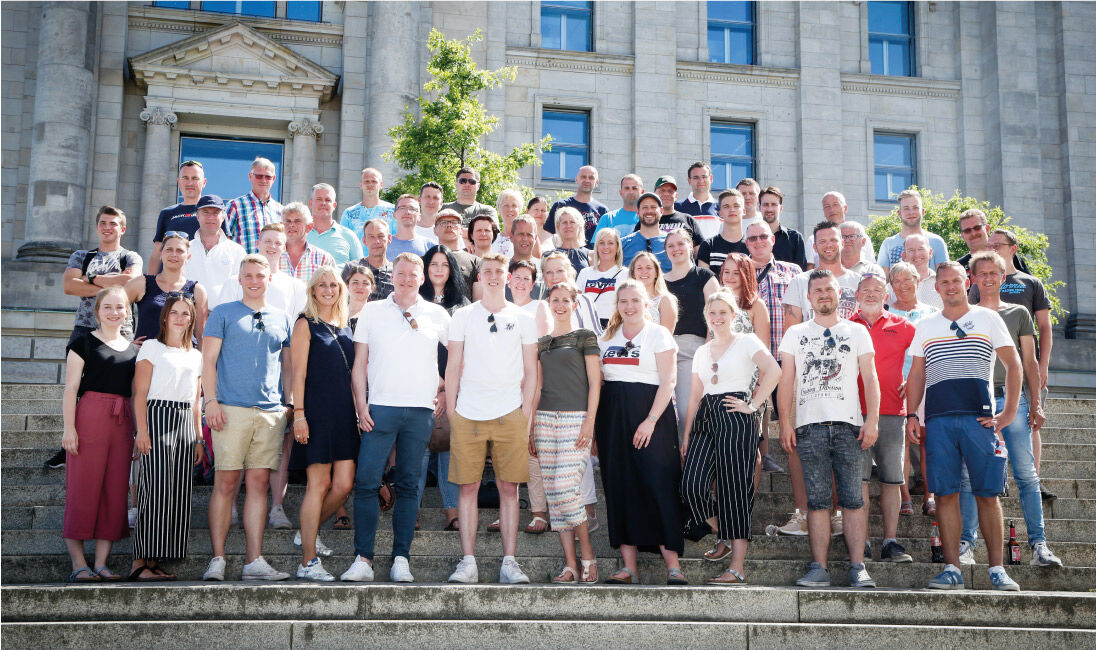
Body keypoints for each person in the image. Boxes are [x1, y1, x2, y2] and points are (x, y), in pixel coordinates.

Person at [905, 261, 1023, 591]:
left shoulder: (987, 317)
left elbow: (1014, 364)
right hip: (939, 420)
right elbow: (916, 374)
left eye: (956, 280)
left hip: (979, 419)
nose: (951, 286)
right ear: (937, 287)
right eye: (945, 282)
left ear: (966, 282)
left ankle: (997, 569)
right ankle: (952, 568)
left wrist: (1009, 413)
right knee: (945, 494)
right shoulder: (926, 325)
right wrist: (911, 414)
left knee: (987, 494)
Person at [958, 251, 1062, 568]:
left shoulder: (1018, 313)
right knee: (968, 476)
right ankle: (966, 543)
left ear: (1004, 278)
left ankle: (1039, 546)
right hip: (976, 402)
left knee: (1027, 475)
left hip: (1012, 401)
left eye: (994, 273)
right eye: (982, 273)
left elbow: (1029, 362)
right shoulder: (964, 315)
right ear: (972, 279)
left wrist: (1037, 402)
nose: (988, 278)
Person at [779, 270, 880, 588]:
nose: (823, 294)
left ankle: (858, 567)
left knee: (852, 499)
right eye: (817, 290)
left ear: (839, 294)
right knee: (818, 501)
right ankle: (818, 568)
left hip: (850, 426)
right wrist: (785, 422)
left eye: (828, 289)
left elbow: (871, 378)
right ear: (808, 297)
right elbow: (786, 381)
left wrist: (873, 419)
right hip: (809, 427)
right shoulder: (795, 333)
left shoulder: (857, 331)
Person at [445, 253, 538, 585]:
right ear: (479, 277)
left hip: (509, 412)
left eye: (500, 271)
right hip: (468, 413)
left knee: (509, 488)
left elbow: (531, 370)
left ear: (509, 277)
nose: (494, 276)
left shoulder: (524, 318)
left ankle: (509, 562)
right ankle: (468, 561)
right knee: (468, 487)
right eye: (488, 271)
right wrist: (453, 411)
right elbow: (453, 365)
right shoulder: (463, 316)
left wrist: (525, 412)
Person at [201, 254, 294, 582]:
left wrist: (290, 402)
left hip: (269, 412)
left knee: (258, 485)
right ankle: (218, 558)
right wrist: (209, 401)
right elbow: (208, 361)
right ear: (240, 279)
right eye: (248, 275)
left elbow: (288, 364)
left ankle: (254, 561)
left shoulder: (282, 318)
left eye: (260, 275)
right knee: (226, 483)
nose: (254, 280)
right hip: (230, 410)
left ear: (270, 278)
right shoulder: (223, 313)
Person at [681, 290, 780, 584]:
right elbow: (694, 396)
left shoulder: (746, 341)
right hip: (705, 416)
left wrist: (753, 404)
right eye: (712, 313)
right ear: (706, 318)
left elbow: (773, 370)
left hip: (735, 413)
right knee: (692, 485)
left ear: (733, 315)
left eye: (723, 312)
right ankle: (723, 531)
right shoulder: (701, 351)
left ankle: (736, 567)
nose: (717, 318)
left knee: (735, 489)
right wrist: (686, 434)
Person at [596, 280, 685, 585]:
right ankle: (628, 567)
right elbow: (600, 382)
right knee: (619, 487)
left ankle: (673, 565)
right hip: (612, 418)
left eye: (635, 300)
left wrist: (650, 420)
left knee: (658, 485)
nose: (629, 306)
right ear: (617, 306)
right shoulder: (607, 336)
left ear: (646, 303)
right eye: (623, 302)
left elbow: (669, 381)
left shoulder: (658, 334)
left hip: (652, 417)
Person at [60, 287, 139, 582]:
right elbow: (70, 389)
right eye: (108, 307)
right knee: (83, 488)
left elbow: (133, 395)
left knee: (115, 492)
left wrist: (135, 432)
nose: (114, 312)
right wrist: (69, 428)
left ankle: (102, 563)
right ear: (97, 312)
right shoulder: (83, 343)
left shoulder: (134, 351)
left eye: (120, 307)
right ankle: (79, 563)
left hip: (121, 424)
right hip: (89, 417)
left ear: (127, 312)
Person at [288, 268, 359, 581]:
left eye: (334, 284)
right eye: (322, 285)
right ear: (313, 290)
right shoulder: (305, 323)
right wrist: (299, 413)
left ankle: (308, 531)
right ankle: (308, 562)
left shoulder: (345, 326)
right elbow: (298, 374)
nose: (329, 289)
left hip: (344, 414)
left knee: (343, 484)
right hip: (316, 412)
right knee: (318, 484)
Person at [130, 294, 204, 581]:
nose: (180, 318)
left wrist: (198, 438)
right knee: (154, 488)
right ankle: (139, 563)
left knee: (176, 493)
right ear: (165, 316)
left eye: (186, 314)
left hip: (185, 420)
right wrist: (142, 430)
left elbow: (196, 401)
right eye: (175, 312)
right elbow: (140, 393)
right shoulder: (151, 348)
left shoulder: (195, 356)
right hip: (157, 416)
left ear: (192, 320)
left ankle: (156, 560)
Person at [532, 282, 602, 583]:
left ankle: (588, 555)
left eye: (565, 300)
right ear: (548, 303)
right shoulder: (542, 342)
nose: (559, 304)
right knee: (554, 495)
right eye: (554, 300)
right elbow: (536, 387)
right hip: (544, 419)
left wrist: (590, 423)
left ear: (575, 304)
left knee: (564, 488)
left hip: (576, 418)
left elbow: (596, 383)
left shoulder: (585, 337)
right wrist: (529, 428)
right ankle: (571, 564)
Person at [849, 272, 916, 563]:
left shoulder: (905, 327)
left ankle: (890, 541)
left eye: (878, 289)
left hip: (892, 412)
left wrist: (911, 381)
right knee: (859, 480)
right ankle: (860, 540)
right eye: (866, 290)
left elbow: (924, 359)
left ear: (887, 297)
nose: (872, 294)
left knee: (891, 479)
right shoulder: (845, 327)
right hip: (852, 413)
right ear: (857, 295)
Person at [415, 245, 470, 532]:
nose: (438, 269)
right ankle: (411, 512)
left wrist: (449, 389)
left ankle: (452, 512)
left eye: (444, 264)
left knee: (448, 448)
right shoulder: (414, 301)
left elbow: (465, 352)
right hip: (418, 386)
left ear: (451, 270)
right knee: (419, 452)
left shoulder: (462, 304)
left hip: (454, 389)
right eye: (433, 264)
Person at [887, 261, 938, 516]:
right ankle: (904, 496)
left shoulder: (932, 313)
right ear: (891, 285)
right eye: (897, 281)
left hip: (926, 381)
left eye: (908, 280)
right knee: (901, 444)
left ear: (918, 282)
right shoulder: (886, 312)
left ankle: (930, 497)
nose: (903, 286)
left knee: (927, 441)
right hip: (894, 384)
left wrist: (919, 378)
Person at [664, 228, 720, 441]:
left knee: (688, 412)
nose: (676, 249)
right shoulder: (660, 280)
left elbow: (715, 318)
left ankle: (692, 460)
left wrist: (708, 352)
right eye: (671, 245)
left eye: (681, 244)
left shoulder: (704, 277)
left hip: (693, 350)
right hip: (664, 350)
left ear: (690, 247)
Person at [63, 206, 143, 345]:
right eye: (103, 223)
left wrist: (91, 278)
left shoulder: (130, 257)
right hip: (85, 328)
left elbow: (130, 282)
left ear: (122, 230)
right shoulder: (81, 256)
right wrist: (113, 289)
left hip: (121, 330)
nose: (107, 227)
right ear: (97, 228)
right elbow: (69, 286)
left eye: (113, 224)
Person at [124, 233, 208, 345]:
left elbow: (200, 335)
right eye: (169, 249)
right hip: (145, 359)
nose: (174, 254)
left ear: (188, 257)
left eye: (179, 251)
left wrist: (202, 361)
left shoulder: (197, 291)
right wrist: (126, 344)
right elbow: (113, 309)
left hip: (180, 358)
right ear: (161, 253)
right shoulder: (142, 283)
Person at [149, 160, 217, 273]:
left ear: (204, 182)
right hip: (170, 282)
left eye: (195, 178)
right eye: (185, 178)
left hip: (203, 279)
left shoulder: (215, 212)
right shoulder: (167, 213)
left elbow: (225, 249)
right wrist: (150, 285)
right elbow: (157, 253)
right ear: (178, 182)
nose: (190, 183)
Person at [184, 195, 246, 310]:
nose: (210, 217)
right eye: (205, 212)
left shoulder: (237, 251)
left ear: (223, 216)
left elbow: (242, 288)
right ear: (197, 216)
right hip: (189, 316)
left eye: (215, 213)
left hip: (224, 318)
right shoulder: (185, 249)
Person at [877, 189, 948, 273]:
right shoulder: (888, 244)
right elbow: (883, 280)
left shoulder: (937, 242)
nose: (911, 212)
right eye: (906, 208)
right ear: (899, 213)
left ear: (923, 212)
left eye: (915, 207)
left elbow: (944, 277)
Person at [225, 157, 283, 255]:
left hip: (271, 268)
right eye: (259, 176)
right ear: (250, 176)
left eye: (268, 177)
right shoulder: (235, 206)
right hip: (243, 268)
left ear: (273, 179)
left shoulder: (281, 210)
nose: (263, 180)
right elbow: (224, 241)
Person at [808, 191, 876, 269]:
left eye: (835, 205)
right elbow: (809, 270)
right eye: (827, 206)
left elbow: (872, 265)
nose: (832, 209)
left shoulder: (861, 237)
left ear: (845, 208)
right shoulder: (813, 239)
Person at [575, 228, 626, 327]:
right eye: (601, 243)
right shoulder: (584, 273)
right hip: (588, 326)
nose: (605, 247)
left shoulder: (626, 274)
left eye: (610, 243)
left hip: (614, 326)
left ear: (617, 247)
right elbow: (577, 303)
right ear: (596, 247)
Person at [546, 165, 608, 245]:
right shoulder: (561, 205)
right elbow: (548, 236)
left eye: (591, 178)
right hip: (564, 255)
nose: (587, 180)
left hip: (593, 256)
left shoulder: (603, 210)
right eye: (583, 177)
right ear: (576, 179)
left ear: (596, 182)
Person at [956, 208, 1029, 274]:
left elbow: (1029, 285)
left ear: (987, 229)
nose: (973, 233)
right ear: (962, 235)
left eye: (977, 228)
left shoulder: (1009, 257)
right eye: (967, 230)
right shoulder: (958, 267)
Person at [306, 183, 363, 265]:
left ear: (334, 205)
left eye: (328, 200)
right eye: (319, 199)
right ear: (310, 203)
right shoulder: (301, 234)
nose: (323, 203)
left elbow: (360, 270)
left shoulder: (348, 236)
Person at [720, 253, 770, 344]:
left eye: (736, 273)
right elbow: (709, 340)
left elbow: (763, 347)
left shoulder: (757, 305)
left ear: (746, 275)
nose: (730, 277)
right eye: (726, 272)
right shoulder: (716, 302)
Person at [697, 188, 749, 277]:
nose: (732, 209)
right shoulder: (708, 245)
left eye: (736, 206)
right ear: (720, 213)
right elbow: (704, 282)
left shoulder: (751, 246)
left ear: (744, 211)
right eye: (726, 206)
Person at [280, 202, 336, 283]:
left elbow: (332, 290)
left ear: (309, 227)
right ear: (281, 226)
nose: (291, 225)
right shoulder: (272, 257)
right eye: (288, 221)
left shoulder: (324, 259)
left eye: (297, 221)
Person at [433, 209, 481, 300]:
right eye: (443, 222)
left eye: (454, 223)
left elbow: (477, 302)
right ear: (435, 230)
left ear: (461, 230)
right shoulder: (425, 260)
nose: (449, 225)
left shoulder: (475, 262)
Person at [758, 186, 808, 271]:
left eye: (774, 204)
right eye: (766, 204)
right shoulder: (752, 238)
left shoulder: (795, 238)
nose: (769, 209)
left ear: (781, 208)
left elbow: (801, 273)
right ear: (760, 208)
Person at [646, 175, 704, 247]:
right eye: (662, 191)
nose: (666, 194)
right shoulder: (646, 221)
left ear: (676, 196)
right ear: (655, 194)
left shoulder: (688, 220)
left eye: (670, 191)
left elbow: (700, 252)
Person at [344, 219, 394, 301]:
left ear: (389, 238)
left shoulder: (396, 272)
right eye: (371, 237)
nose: (376, 241)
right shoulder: (351, 268)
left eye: (380, 236)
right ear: (364, 240)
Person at [628, 251, 677, 330]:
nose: (644, 272)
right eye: (639, 268)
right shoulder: (625, 300)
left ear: (656, 273)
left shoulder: (665, 300)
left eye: (649, 268)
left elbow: (666, 337)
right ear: (633, 273)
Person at [621, 192, 670, 271]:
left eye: (653, 207)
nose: (649, 211)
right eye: (644, 207)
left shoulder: (672, 243)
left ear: (661, 211)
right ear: (637, 212)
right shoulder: (623, 244)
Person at [341, 167, 395, 239]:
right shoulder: (349, 213)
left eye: (374, 181)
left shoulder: (393, 211)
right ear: (361, 184)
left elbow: (398, 238)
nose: (370, 184)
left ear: (381, 185)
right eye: (366, 181)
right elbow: (343, 240)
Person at [893, 233, 943, 309]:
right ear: (904, 256)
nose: (917, 254)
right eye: (911, 250)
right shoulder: (891, 288)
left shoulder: (942, 284)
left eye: (921, 249)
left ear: (930, 253)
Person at [675, 162, 720, 239]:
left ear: (711, 178)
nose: (700, 181)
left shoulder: (722, 207)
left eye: (704, 176)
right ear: (689, 181)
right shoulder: (677, 208)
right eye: (696, 177)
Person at [509, 260, 551, 336]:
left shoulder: (540, 306)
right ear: (509, 282)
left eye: (526, 278)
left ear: (532, 285)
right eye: (517, 277)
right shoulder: (505, 310)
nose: (521, 282)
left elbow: (544, 342)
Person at [594, 174, 643, 238]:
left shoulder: (648, 218)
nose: (631, 192)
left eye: (634, 188)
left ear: (642, 192)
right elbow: (597, 246)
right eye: (627, 188)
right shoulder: (607, 218)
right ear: (620, 192)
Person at [386, 194, 432, 261]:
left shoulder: (429, 246)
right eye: (402, 208)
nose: (407, 212)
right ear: (394, 214)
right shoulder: (384, 245)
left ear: (419, 216)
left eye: (412, 209)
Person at [549, 206, 591, 274]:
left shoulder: (591, 255)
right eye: (564, 222)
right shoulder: (550, 255)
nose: (568, 226)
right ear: (558, 226)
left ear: (579, 226)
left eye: (572, 222)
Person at [492, 189, 524, 258]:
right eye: (506, 205)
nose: (510, 209)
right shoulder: (493, 239)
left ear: (520, 209)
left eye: (514, 205)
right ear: (499, 209)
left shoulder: (526, 238)